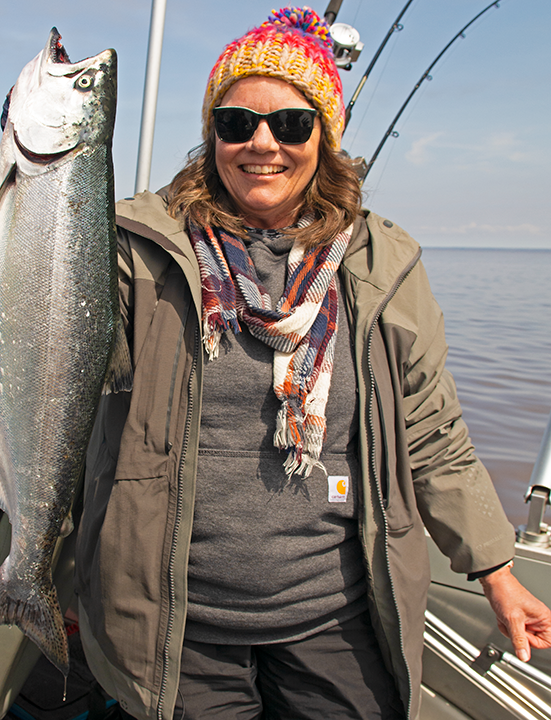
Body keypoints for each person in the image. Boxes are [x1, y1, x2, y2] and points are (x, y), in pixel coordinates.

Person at [72, 7, 551, 719]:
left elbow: (432, 432)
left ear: (323, 138)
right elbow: (55, 364)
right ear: (212, 138)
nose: (261, 144)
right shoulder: (135, 250)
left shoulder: (381, 262)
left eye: (290, 124)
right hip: (178, 625)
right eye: (236, 124)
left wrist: (495, 568)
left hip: (337, 616)